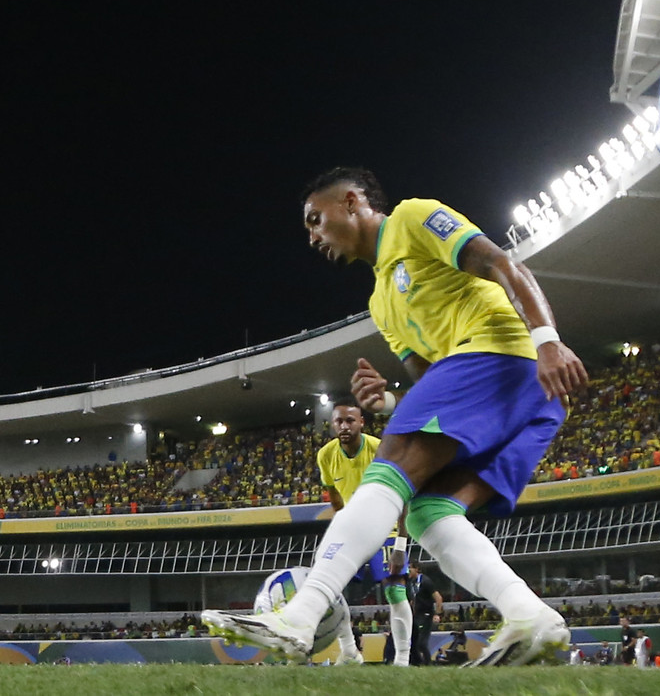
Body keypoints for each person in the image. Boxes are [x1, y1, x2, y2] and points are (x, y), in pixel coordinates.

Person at [203, 168, 587, 667]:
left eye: (315, 220)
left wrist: (547, 340)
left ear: (351, 201)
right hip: (523, 396)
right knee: (428, 513)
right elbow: (436, 393)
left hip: (506, 354)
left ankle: (298, 617)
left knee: (388, 468)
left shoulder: (412, 217)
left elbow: (502, 265)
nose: (312, 236)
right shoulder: (380, 304)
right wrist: (386, 404)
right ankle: (530, 616)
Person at [316, 401, 412, 665]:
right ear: (333, 424)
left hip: (386, 527)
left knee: (394, 589)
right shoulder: (325, 455)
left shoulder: (381, 449)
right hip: (352, 531)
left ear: (361, 422)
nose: (344, 426)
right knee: (330, 586)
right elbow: (335, 498)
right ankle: (349, 652)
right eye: (339, 421)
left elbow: (404, 497)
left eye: (350, 421)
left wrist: (401, 546)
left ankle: (402, 659)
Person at [408, 561, 443, 665]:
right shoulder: (412, 583)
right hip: (416, 616)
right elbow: (413, 599)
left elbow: (438, 598)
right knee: (414, 643)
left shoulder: (426, 581)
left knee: (422, 643)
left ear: (417, 569)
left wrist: (437, 614)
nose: (407, 571)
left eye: (410, 568)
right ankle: (417, 663)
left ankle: (428, 664)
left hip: (426, 615)